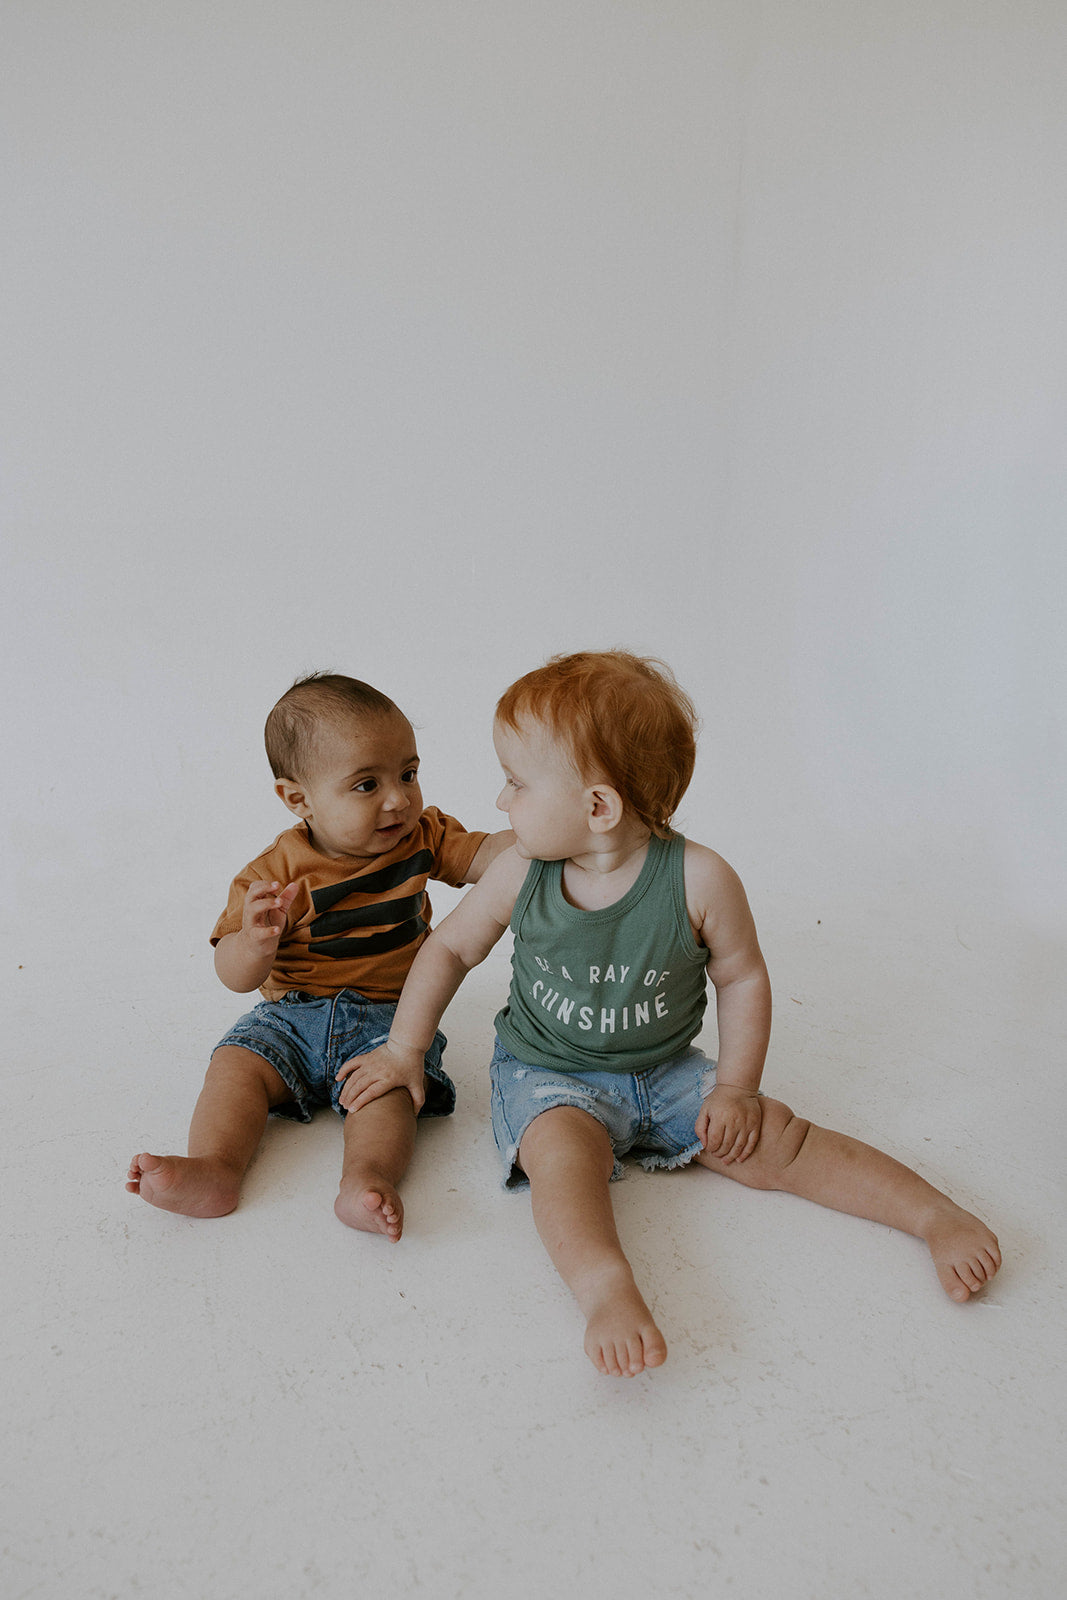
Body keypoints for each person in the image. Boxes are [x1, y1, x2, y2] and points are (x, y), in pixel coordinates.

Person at [336, 651, 1002, 1374]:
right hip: (548, 1071)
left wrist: (735, 1091)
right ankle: (606, 1289)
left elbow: (741, 978)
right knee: (563, 1165)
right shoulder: (519, 872)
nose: (501, 802)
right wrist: (404, 1049)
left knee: (778, 1141)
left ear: (597, 807)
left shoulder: (698, 878)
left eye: (517, 784)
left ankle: (931, 1215)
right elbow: (447, 952)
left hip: (665, 1072)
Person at [127, 672, 512, 1240]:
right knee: (235, 1065)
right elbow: (232, 976)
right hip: (290, 1014)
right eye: (366, 785)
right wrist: (255, 945)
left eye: (408, 773)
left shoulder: (423, 836)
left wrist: (547, 832)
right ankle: (216, 1168)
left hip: (390, 1021)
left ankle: (367, 1180)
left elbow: (492, 857)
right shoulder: (272, 875)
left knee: (387, 1098)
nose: (398, 798)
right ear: (297, 798)